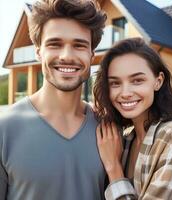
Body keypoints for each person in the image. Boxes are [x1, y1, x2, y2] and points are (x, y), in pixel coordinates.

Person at [0, 0, 107, 199]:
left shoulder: (107, 129)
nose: (67, 56)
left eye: (79, 45)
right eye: (55, 44)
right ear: (39, 52)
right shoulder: (5, 130)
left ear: (92, 54)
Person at [93, 38, 172, 199]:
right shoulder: (125, 140)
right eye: (115, 83)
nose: (125, 92)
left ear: (158, 81)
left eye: (137, 80)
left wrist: (114, 167)